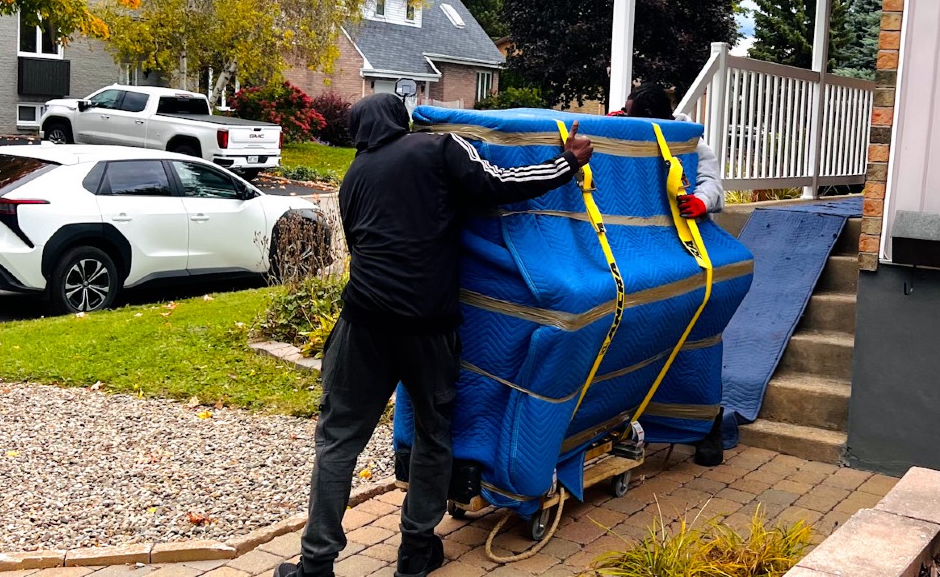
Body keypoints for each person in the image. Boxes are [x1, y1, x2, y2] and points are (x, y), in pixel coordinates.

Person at [276, 94, 593, 577]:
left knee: (338, 441)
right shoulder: (438, 147)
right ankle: (415, 551)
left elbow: (361, 245)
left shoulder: (353, 179)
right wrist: (566, 162)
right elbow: (498, 184)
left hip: (363, 324)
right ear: (401, 121)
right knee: (432, 434)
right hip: (427, 327)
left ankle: (315, 563)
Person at [619, 83, 726, 465]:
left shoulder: (690, 142)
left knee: (696, 340)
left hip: (685, 243)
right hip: (640, 247)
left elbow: (713, 183)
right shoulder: (625, 131)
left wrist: (701, 201)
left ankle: (707, 426)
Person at [621, 83, 724, 220]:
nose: (626, 118)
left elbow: (710, 180)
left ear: (648, 114)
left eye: (630, 114)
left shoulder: (691, 143)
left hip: (685, 222)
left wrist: (702, 201)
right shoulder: (640, 139)